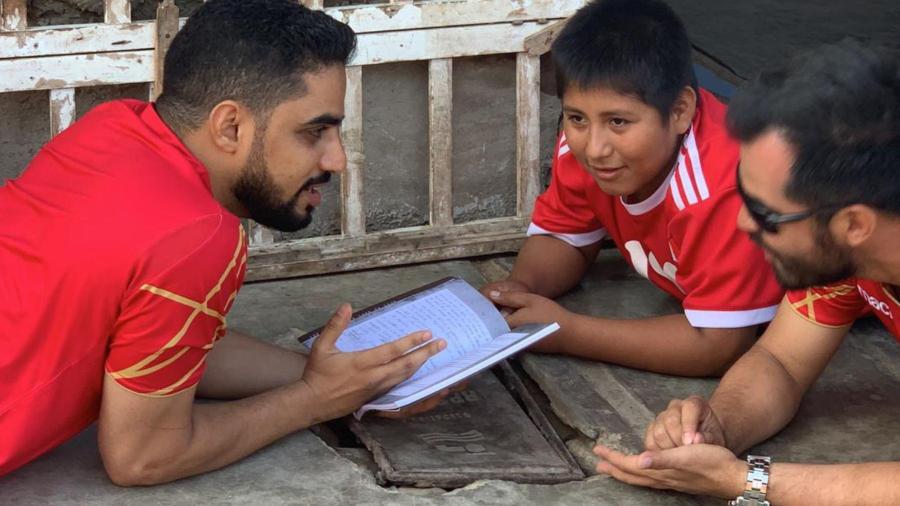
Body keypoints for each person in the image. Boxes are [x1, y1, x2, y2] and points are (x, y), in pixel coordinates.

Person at [0, 0, 448, 484]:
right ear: (230, 126)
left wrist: (338, 379)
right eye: (314, 132)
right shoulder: (196, 235)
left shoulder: (113, 127)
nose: (336, 159)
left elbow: (159, 338)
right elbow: (142, 456)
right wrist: (314, 401)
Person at [593, 41, 900, 504]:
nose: (741, 222)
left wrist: (747, 481)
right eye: (742, 192)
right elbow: (782, 362)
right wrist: (715, 429)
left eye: (764, 212)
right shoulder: (848, 250)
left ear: (854, 225)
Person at [483, 0, 782, 376]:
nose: (595, 148)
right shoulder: (583, 149)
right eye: (577, 117)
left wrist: (567, 331)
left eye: (618, 122)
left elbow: (718, 345)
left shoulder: (721, 188)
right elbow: (564, 237)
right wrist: (519, 290)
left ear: (680, 111)